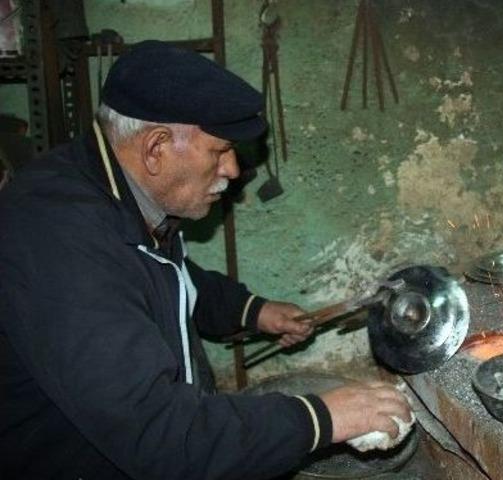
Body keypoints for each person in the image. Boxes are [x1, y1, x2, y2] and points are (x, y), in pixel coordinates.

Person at [0, 40, 411, 479]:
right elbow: (158, 434)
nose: (232, 170)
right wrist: (319, 419)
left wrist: (252, 311)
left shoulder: (119, 194)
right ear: (157, 148)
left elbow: (164, 279)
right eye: (219, 150)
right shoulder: (57, 235)